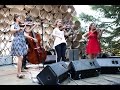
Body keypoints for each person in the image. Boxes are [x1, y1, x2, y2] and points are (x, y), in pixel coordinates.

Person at [10, 14, 28, 78]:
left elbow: (24, 34)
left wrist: (24, 27)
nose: (20, 18)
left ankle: (19, 73)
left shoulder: (21, 25)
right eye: (19, 17)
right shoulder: (14, 25)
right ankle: (19, 73)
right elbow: (11, 30)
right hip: (17, 41)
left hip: (22, 41)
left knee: (21, 57)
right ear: (16, 18)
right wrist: (18, 29)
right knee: (20, 57)